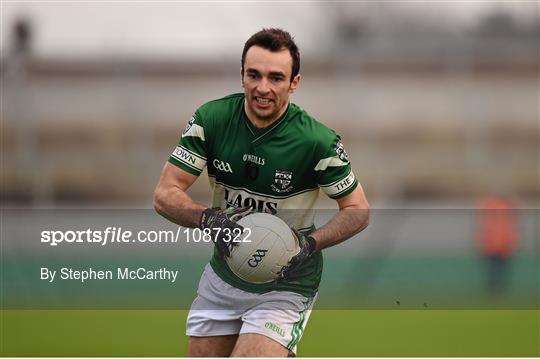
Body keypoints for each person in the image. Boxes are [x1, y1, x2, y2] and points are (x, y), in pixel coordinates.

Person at [154, 28, 369, 357]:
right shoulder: (211, 120)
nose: (262, 88)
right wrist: (210, 219)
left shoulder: (317, 141)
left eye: (276, 77)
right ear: (241, 75)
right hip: (225, 274)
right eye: (253, 75)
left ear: (294, 83)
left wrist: (308, 245)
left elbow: (357, 210)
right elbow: (165, 194)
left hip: (287, 283)